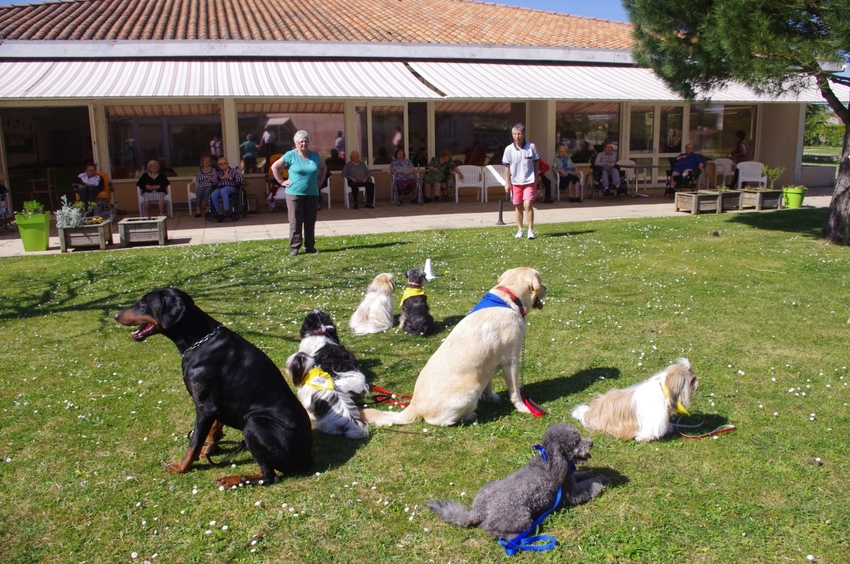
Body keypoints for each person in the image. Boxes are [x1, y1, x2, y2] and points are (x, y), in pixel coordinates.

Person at [271, 130, 327, 256]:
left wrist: (320, 180)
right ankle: (295, 247)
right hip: (294, 194)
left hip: (312, 193)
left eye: (306, 141)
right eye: (301, 141)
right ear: (296, 143)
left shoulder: (314, 155)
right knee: (295, 221)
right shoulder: (290, 155)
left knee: (310, 221)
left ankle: (310, 246)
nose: (304, 143)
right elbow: (275, 167)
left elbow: (323, 167)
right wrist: (281, 181)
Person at [502, 123, 540, 240]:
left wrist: (536, 177)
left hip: (529, 181)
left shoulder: (531, 147)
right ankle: (520, 229)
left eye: (519, 134)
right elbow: (507, 168)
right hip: (515, 182)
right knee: (518, 206)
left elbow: (536, 162)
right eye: (515, 134)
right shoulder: (508, 149)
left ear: (523, 135)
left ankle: (530, 230)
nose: (517, 136)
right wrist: (507, 183)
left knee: (528, 204)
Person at [210, 156, 243, 222]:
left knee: (223, 190)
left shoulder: (233, 171)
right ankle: (218, 212)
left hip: (231, 187)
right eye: (221, 164)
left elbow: (241, 178)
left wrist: (231, 178)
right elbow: (212, 180)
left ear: (227, 164)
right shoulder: (218, 173)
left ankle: (226, 209)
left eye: (224, 163)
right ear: (218, 165)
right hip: (220, 187)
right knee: (213, 194)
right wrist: (221, 178)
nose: (223, 165)